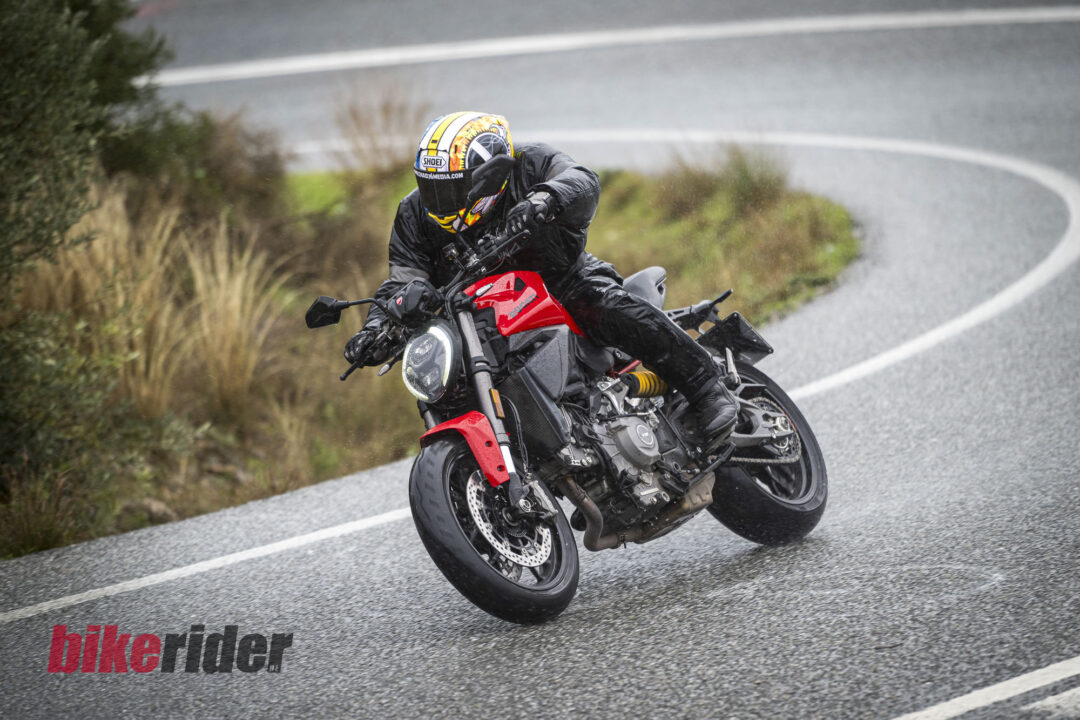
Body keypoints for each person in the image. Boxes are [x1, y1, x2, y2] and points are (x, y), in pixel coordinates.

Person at [345, 111, 736, 441]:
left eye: (450, 190)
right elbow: (402, 279)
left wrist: (545, 198)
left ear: (488, 174)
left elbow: (581, 179)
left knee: (605, 306)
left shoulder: (530, 163)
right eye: (431, 189)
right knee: (448, 382)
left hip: (561, 283)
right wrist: (375, 327)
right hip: (480, 316)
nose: (438, 202)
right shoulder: (414, 214)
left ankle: (707, 389)